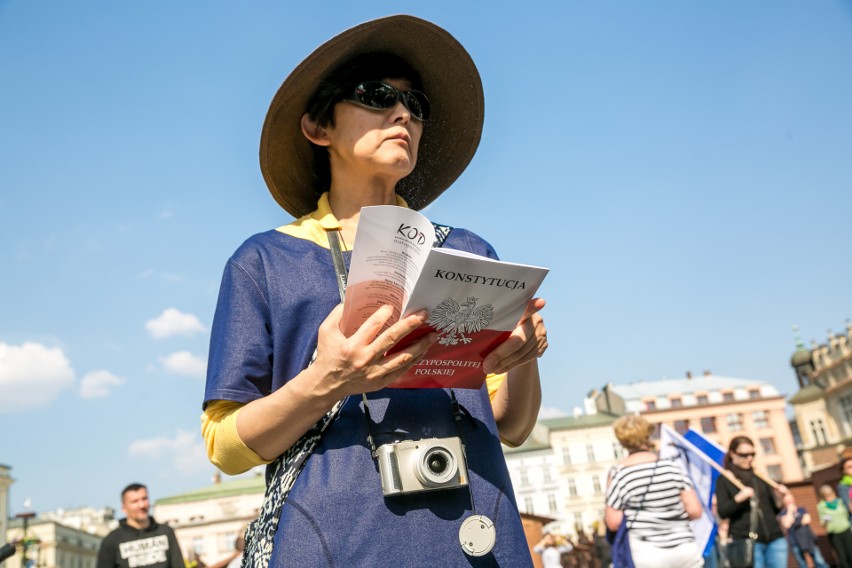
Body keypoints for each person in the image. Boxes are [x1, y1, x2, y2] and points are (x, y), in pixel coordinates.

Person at [200, 14, 547, 567]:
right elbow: (224, 444)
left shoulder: (467, 252)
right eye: (376, 95)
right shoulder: (263, 261)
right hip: (331, 542)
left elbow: (512, 426)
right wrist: (324, 382)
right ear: (318, 128)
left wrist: (524, 357)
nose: (403, 114)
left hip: (476, 538)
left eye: (417, 105)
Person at [604, 415, 703, 568]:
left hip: (647, 552)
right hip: (684, 548)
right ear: (647, 435)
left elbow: (613, 522)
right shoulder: (672, 466)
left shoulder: (619, 474)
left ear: (622, 441)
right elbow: (695, 510)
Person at [715, 436, 789, 568]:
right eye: (744, 455)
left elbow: (775, 509)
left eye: (752, 454)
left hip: (775, 537)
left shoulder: (759, 476)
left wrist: (780, 497)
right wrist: (739, 499)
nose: (749, 458)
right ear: (732, 454)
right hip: (747, 540)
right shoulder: (725, 479)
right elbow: (722, 512)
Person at [96, 483, 185, 568]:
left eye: (144, 499)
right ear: (124, 508)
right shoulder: (111, 541)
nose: (141, 505)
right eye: (135, 501)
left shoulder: (166, 532)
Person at [778, 492, 829, 568]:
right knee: (802, 563)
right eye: (787, 501)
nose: (790, 502)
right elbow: (787, 525)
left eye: (790, 500)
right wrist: (790, 512)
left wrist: (793, 522)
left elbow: (807, 520)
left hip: (807, 538)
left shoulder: (801, 509)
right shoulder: (783, 513)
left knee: (819, 560)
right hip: (794, 540)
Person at [817, 483, 852, 567]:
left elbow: (847, 515)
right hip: (834, 534)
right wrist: (825, 519)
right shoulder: (821, 506)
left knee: (850, 553)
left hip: (846, 530)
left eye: (829, 494)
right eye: (825, 496)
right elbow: (822, 522)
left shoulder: (840, 502)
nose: (828, 497)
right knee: (842, 556)